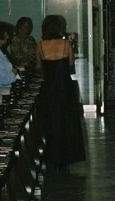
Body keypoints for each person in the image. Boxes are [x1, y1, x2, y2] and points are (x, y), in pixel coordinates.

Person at [36, 14, 85, 170]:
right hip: (64, 86)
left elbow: (39, 67)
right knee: (66, 121)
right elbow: (71, 64)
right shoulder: (65, 45)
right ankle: (66, 157)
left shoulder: (40, 45)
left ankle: (51, 156)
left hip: (49, 87)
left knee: (51, 121)